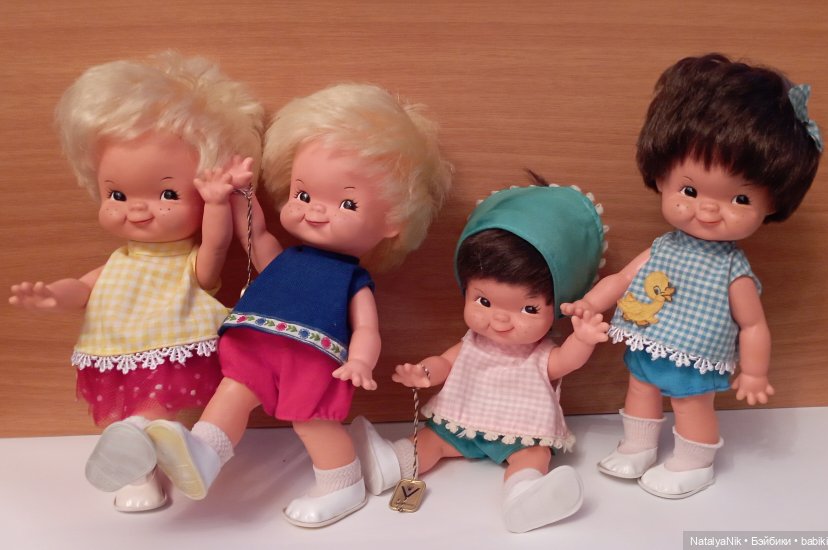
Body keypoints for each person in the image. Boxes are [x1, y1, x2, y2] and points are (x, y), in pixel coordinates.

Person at [143, 83, 453, 527]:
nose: (314, 211)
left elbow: (367, 327)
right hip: (261, 350)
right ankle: (204, 454)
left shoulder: (352, 279)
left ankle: (342, 483)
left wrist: (361, 362)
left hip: (313, 361)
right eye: (303, 195)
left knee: (312, 420)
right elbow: (256, 236)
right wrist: (241, 194)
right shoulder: (285, 258)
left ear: (392, 222)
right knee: (232, 391)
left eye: (346, 203)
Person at [8, 51, 264, 511]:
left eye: (167, 193)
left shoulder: (189, 264)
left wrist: (216, 203)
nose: (138, 209)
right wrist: (53, 296)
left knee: (146, 411)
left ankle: (135, 443)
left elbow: (217, 247)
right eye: (117, 194)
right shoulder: (117, 262)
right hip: (113, 350)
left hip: (171, 347)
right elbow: (83, 287)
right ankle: (138, 475)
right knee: (124, 411)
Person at [562, 53, 823, 499]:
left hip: (696, 354)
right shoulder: (663, 247)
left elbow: (753, 324)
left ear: (772, 204)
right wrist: (590, 303)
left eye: (740, 199)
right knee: (640, 387)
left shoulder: (732, 269)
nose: (707, 209)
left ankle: (693, 461)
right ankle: (638, 446)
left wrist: (755, 371)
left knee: (690, 403)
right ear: (661, 177)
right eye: (690, 189)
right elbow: (623, 279)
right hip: (649, 339)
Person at [352, 177, 608, 533]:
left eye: (529, 309)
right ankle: (391, 465)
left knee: (534, 456)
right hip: (461, 423)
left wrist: (583, 339)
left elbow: (566, 360)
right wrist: (424, 373)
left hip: (521, 433)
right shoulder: (472, 342)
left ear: (559, 305)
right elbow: (446, 362)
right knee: (431, 441)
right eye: (484, 301)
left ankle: (524, 495)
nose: (500, 320)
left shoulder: (540, 354)